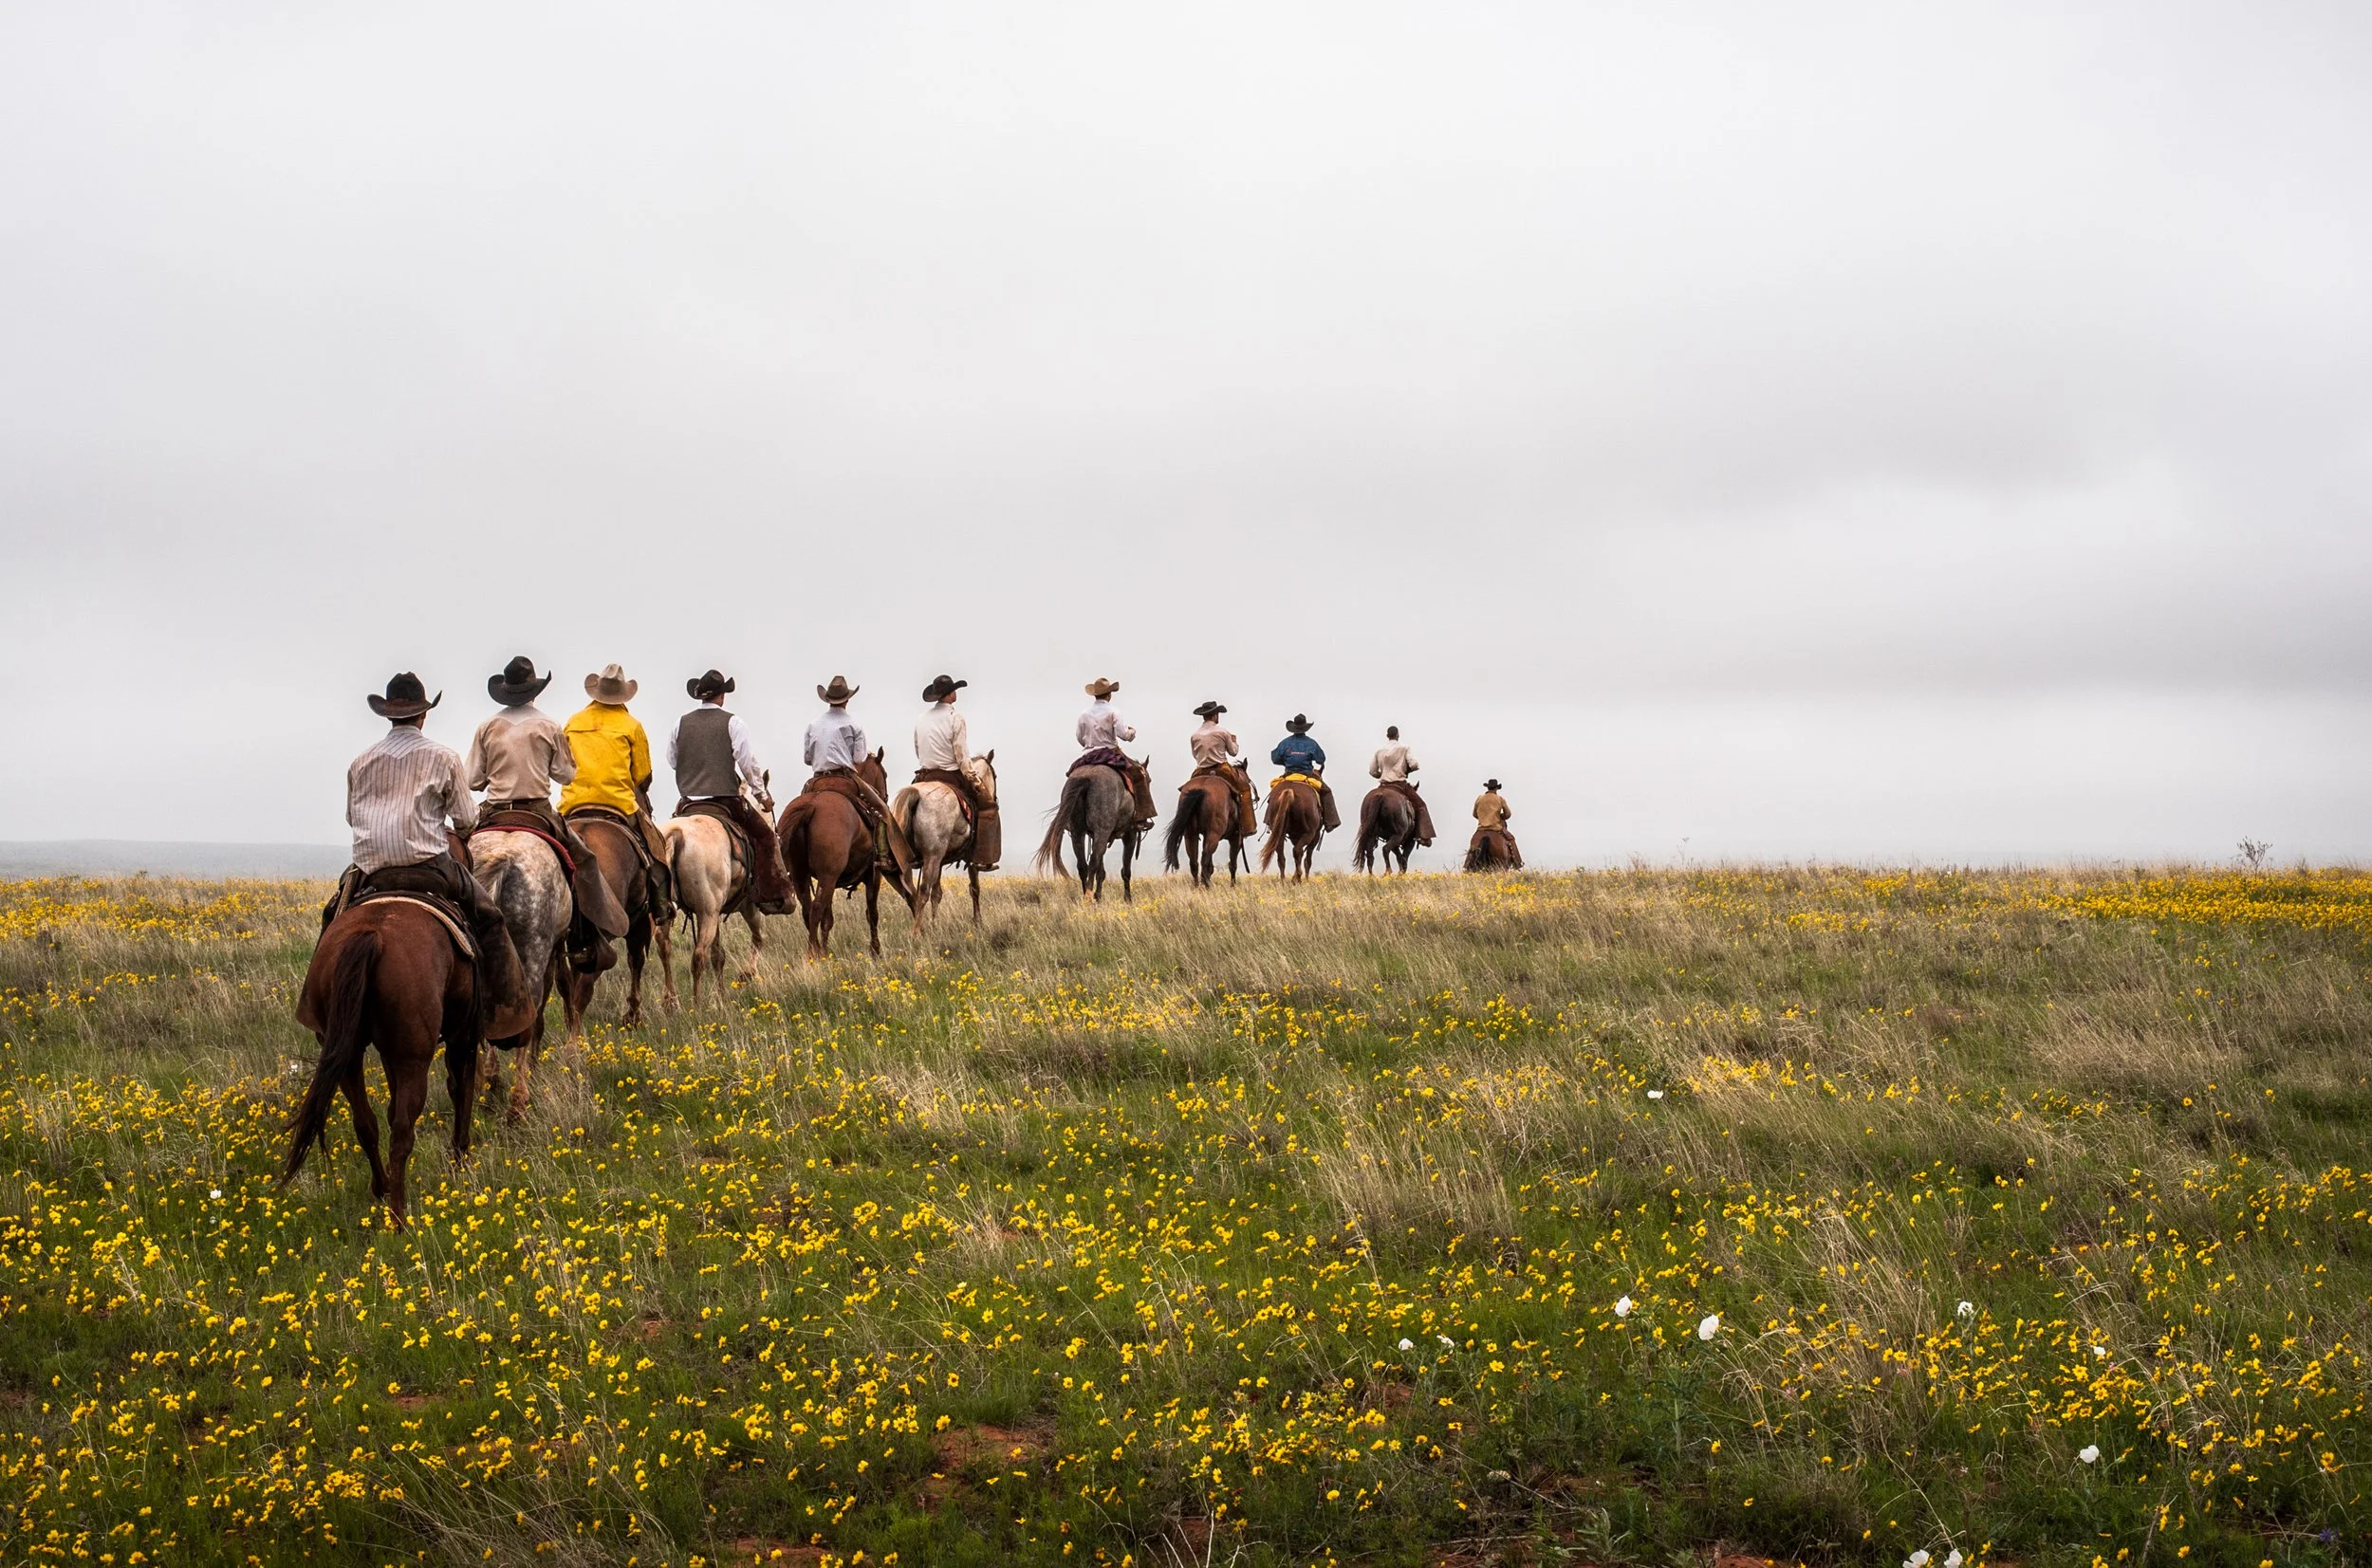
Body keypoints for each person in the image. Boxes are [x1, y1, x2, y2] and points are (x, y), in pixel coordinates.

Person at [337, 672, 529, 1027]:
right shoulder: (444, 757)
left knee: (333, 916)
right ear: (423, 714)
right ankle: (503, 1016)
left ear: (388, 715)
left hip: (371, 870)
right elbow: (466, 821)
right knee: (490, 918)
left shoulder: (360, 761)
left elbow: (352, 818)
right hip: (430, 866)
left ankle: (321, 1015)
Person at [467, 656, 627, 957]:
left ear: (505, 690)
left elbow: (473, 780)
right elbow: (566, 775)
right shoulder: (549, 726)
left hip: (494, 810)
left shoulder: (487, 727)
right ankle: (584, 937)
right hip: (538, 810)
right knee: (584, 861)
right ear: (535, 691)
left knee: (459, 860)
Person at [559, 662, 676, 921]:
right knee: (655, 845)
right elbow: (642, 776)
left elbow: (564, 765)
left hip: (573, 804)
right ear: (623, 694)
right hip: (618, 804)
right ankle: (661, 904)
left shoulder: (573, 722)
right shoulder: (631, 725)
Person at [670, 669, 792, 912]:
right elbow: (747, 763)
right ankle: (770, 896)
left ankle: (664, 899)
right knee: (766, 838)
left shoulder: (680, 723)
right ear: (722, 695)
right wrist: (762, 796)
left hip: (689, 801)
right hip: (725, 800)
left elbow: (673, 760)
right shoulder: (733, 722)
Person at [913, 673, 999, 870]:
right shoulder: (956, 718)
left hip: (924, 775)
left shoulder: (921, 719)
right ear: (951, 694)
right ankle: (981, 857)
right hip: (951, 775)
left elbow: (918, 749)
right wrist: (973, 779)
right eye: (954, 691)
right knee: (988, 808)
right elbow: (961, 754)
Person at [1075, 677, 1158, 826]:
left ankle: (1069, 819)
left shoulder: (1084, 714)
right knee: (1139, 774)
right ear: (1109, 695)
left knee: (1071, 774)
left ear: (1095, 695)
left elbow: (1080, 738)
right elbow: (1124, 735)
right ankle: (1141, 817)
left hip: (1089, 754)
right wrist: (1132, 731)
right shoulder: (1114, 712)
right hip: (1110, 753)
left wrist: (1090, 744)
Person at [1186, 700, 1258, 838]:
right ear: (1215, 715)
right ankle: (1248, 826)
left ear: (1203, 716)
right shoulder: (1223, 732)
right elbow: (1233, 752)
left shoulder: (1194, 735)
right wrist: (1234, 742)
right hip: (1222, 768)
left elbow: (1195, 755)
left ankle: (1187, 825)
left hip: (1201, 769)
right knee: (1244, 789)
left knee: (1188, 789)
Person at [1269, 713, 1341, 832]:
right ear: (1305, 727)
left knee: (1274, 792)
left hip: (1288, 775)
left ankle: (1269, 820)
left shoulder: (1285, 743)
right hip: (1307, 775)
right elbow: (1321, 759)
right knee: (1326, 791)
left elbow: (1275, 759)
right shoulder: (1311, 743)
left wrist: (1287, 761)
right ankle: (1330, 821)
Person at [1368, 724, 1436, 845]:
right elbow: (1414, 765)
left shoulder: (1379, 751)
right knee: (1421, 806)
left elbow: (1372, 771)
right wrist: (1407, 770)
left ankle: (1370, 834)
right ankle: (1423, 837)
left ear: (1387, 736)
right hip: (1400, 785)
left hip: (1383, 785)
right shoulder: (1405, 748)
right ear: (1398, 735)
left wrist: (1383, 774)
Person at [1469, 778, 1524, 869]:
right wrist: (1500, 816)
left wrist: (1484, 816)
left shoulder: (1479, 798)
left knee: (1473, 845)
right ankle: (1517, 863)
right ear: (1496, 788)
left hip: (1481, 829)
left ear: (1488, 788)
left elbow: (1474, 814)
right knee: (1511, 839)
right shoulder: (1500, 799)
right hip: (1496, 828)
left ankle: (1468, 865)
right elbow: (1508, 814)